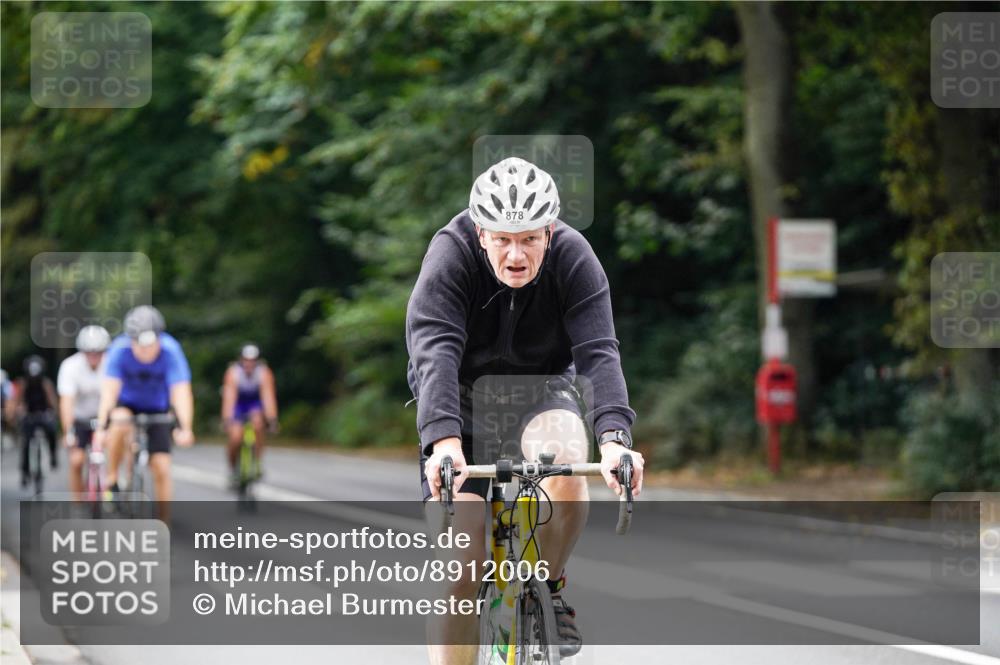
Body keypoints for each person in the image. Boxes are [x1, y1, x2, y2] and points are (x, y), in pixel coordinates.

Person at [406, 157, 645, 663]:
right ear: (480, 233)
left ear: (551, 233)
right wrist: (443, 443)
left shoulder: (576, 259)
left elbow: (599, 353)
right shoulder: (449, 257)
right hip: (460, 401)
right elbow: (435, 353)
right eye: (503, 240)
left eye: (530, 239)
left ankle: (550, 587)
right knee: (460, 568)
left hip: (540, 392)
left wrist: (616, 441)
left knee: (566, 459)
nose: (516, 255)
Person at [93, 305, 195, 521]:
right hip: (127, 404)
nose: (145, 351)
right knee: (119, 420)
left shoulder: (171, 350)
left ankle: (164, 522)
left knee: (162, 467)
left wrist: (185, 427)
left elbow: (181, 391)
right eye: (139, 344)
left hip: (157, 407)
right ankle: (112, 480)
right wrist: (102, 427)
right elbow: (109, 392)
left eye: (151, 344)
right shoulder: (119, 350)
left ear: (160, 338)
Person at [57, 325, 111, 498]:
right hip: (79, 419)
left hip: (105, 419)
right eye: (89, 352)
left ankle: (116, 484)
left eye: (98, 352)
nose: (94, 356)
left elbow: (117, 397)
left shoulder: (111, 364)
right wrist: (68, 431)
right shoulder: (70, 366)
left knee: (118, 447)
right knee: (76, 460)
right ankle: (77, 501)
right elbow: (66, 402)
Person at [221, 343, 278, 487]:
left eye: (252, 360)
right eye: (246, 360)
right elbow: (229, 397)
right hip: (238, 404)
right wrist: (227, 419)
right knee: (235, 438)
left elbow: (268, 397)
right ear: (241, 360)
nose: (249, 364)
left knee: (258, 425)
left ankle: (257, 462)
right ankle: (233, 469)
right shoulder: (233, 372)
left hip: (254, 403)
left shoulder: (264, 372)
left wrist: (272, 419)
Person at [14, 355, 59, 486]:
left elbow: (52, 401)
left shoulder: (45, 384)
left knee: (51, 432)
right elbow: (19, 402)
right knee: (26, 443)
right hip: (29, 416)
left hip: (43, 414)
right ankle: (25, 471)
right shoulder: (24, 384)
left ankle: (53, 456)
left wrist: (53, 413)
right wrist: (19, 412)